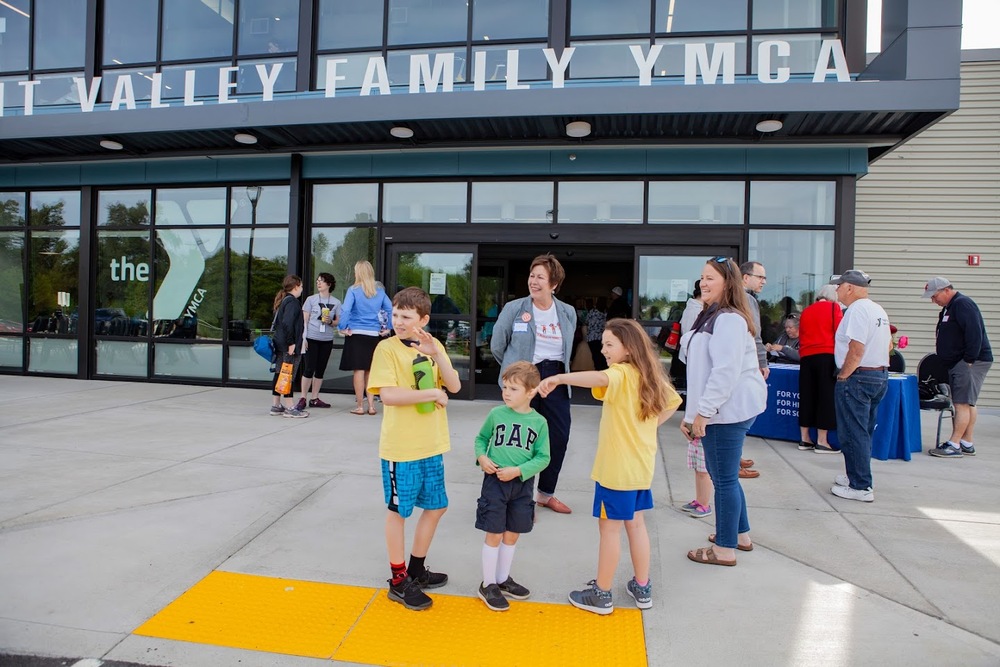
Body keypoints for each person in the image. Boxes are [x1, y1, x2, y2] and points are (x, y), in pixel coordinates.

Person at [538, 319, 680, 614]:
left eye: (609, 344)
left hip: (616, 471)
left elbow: (600, 379)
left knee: (609, 530)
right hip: (640, 468)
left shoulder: (621, 373)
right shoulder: (648, 374)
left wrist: (559, 379)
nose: (603, 350)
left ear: (628, 348)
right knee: (636, 525)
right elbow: (673, 401)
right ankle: (642, 587)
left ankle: (601, 594)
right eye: (603, 344)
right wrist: (650, 427)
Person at [366, 286, 462, 611]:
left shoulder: (431, 346)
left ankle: (417, 569)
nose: (398, 321)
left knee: (436, 506)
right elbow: (389, 396)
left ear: (423, 319)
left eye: (405, 316)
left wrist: (436, 353)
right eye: (395, 315)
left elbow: (455, 384)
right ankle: (397, 580)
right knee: (398, 511)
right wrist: (431, 395)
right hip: (401, 448)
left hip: (431, 443)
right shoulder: (386, 349)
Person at [680, 257, 767, 566]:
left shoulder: (728, 318)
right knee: (726, 477)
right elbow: (699, 371)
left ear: (728, 283)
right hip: (718, 410)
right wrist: (691, 415)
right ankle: (740, 536)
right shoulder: (709, 314)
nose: (704, 282)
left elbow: (724, 372)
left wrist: (703, 413)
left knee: (724, 480)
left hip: (726, 412)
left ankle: (724, 549)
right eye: (702, 277)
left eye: (711, 278)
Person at [491, 254, 577, 514]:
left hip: (556, 378)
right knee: (520, 439)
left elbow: (568, 349)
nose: (534, 281)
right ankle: (520, 499)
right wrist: (514, 375)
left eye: (541, 277)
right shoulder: (515, 309)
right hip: (525, 377)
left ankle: (545, 494)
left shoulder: (567, 312)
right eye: (532, 275)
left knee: (558, 437)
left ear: (554, 284)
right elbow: (497, 345)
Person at [474, 361, 551, 612]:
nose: (506, 393)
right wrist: (482, 458)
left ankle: (502, 579)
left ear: (531, 392)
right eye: (505, 387)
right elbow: (481, 438)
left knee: (512, 532)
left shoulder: (539, 422)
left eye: (513, 389)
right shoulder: (496, 414)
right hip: (495, 482)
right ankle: (488, 584)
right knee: (494, 531)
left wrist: (519, 471)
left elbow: (543, 457)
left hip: (522, 484)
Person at [831, 269, 891, 502]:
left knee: (852, 432)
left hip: (858, 377)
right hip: (878, 374)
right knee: (863, 431)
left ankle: (860, 485)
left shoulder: (856, 310)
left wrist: (844, 375)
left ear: (850, 287)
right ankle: (855, 475)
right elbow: (887, 345)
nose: (836, 289)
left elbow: (856, 348)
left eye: (839, 285)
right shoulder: (877, 309)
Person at [923, 277, 993, 458]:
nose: (933, 300)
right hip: (960, 361)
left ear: (946, 290)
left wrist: (969, 359)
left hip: (968, 362)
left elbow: (974, 332)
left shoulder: (963, 305)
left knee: (961, 403)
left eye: (935, 296)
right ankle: (966, 442)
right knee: (968, 401)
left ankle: (954, 444)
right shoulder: (950, 307)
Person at [339, 260, 393, 415]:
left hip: (356, 333)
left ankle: (360, 406)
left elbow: (346, 310)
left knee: (359, 371)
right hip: (373, 334)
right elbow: (390, 309)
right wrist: (388, 327)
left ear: (358, 272)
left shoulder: (353, 290)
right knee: (370, 370)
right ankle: (371, 406)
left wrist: (342, 327)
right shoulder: (379, 291)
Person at [797, 284, 843, 453]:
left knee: (807, 396)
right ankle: (822, 441)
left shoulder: (807, 311)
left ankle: (804, 438)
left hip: (807, 357)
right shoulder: (834, 308)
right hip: (826, 354)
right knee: (825, 397)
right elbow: (840, 333)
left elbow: (801, 334)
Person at [738, 260, 769, 478]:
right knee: (743, 412)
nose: (764, 282)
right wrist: (762, 363)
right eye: (760, 277)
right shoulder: (747, 299)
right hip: (745, 365)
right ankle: (733, 461)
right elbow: (755, 334)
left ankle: (735, 455)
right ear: (745, 278)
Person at [296, 272, 342, 410]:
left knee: (321, 370)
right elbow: (304, 321)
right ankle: (303, 397)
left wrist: (331, 322)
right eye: (317, 281)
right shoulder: (311, 299)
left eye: (321, 281)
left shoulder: (336, 302)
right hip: (311, 338)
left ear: (329, 284)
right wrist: (303, 338)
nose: (318, 283)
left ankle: (315, 398)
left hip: (327, 339)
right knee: (309, 368)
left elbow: (338, 322)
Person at [269, 275, 308, 418]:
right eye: (302, 286)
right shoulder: (292, 302)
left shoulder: (284, 300)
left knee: (280, 372)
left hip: (280, 343)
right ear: (296, 286)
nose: (302, 289)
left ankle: (276, 404)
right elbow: (288, 323)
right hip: (288, 345)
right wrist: (292, 343)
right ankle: (290, 406)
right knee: (288, 374)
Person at [680, 437, 713, 518]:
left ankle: (705, 504)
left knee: (704, 472)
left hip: (706, 437)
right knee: (697, 469)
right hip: (695, 438)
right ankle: (700, 500)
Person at [586, 296, 608, 371]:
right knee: (602, 355)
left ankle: (598, 369)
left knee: (595, 355)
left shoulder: (592, 312)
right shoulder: (605, 314)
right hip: (601, 337)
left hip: (591, 337)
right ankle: (603, 369)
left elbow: (586, 322)